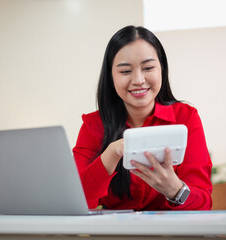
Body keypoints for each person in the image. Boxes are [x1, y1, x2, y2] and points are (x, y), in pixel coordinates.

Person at [73, 25, 212, 210]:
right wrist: (112, 152)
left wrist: (175, 190)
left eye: (148, 68)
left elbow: (204, 203)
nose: (138, 80)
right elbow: (77, 200)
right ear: (111, 76)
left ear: (161, 69)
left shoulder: (186, 117)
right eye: (125, 71)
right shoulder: (93, 125)